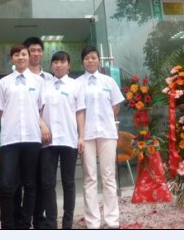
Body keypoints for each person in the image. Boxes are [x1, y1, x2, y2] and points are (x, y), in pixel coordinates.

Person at [0, 44, 50, 229]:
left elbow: (40, 109)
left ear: (29, 56)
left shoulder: (38, 81)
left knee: (30, 184)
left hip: (32, 138)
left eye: (24, 54)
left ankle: (25, 224)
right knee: (7, 184)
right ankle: (8, 225)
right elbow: (1, 111)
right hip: (10, 139)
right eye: (16, 55)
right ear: (12, 59)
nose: (21, 57)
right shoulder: (4, 83)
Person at [75, 46, 124, 229]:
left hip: (107, 133)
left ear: (98, 60)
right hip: (86, 135)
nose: (90, 60)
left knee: (109, 176)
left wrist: (106, 120)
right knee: (90, 177)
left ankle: (112, 220)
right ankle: (93, 221)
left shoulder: (108, 81)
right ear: (82, 61)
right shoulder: (77, 84)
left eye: (93, 57)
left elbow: (116, 106)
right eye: (86, 58)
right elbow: (76, 110)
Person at [37, 51, 85, 229]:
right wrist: (42, 125)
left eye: (62, 62)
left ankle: (67, 224)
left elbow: (80, 112)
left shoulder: (75, 85)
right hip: (48, 141)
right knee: (48, 184)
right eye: (55, 62)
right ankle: (51, 224)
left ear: (69, 65)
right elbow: (37, 110)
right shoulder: (44, 85)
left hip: (69, 139)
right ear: (51, 66)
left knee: (68, 182)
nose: (58, 65)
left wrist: (81, 137)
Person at [17, 36, 53, 229]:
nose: (36, 54)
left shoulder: (49, 78)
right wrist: (40, 124)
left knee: (41, 180)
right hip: (24, 137)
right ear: (25, 53)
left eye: (39, 50)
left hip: (46, 138)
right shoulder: (16, 78)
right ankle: (22, 220)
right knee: (23, 181)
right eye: (32, 50)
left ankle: (39, 219)